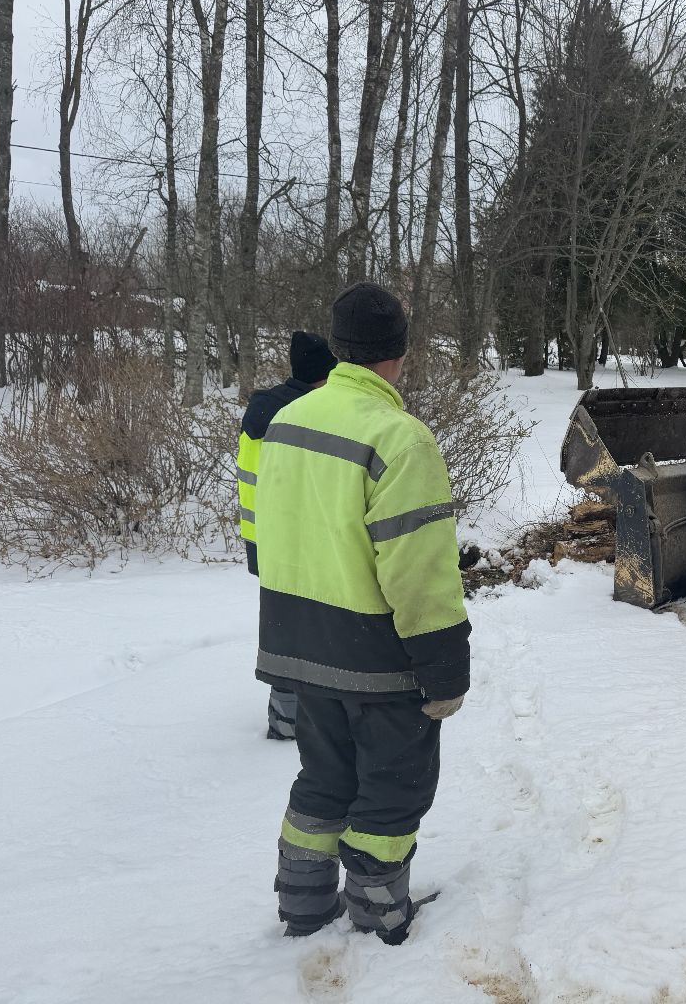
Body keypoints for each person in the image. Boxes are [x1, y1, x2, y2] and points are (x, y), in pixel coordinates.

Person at [253, 283, 471, 943]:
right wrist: (445, 667)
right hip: (377, 655)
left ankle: (304, 901)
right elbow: (418, 570)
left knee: (323, 777)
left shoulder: (287, 421)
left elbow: (279, 531)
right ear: (400, 353)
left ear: (338, 347)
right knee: (392, 790)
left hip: (301, 645)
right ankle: (379, 912)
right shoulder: (399, 439)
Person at [237, 331, 338, 740]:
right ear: (322, 374)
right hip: (300, 538)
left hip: (263, 538)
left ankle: (287, 716)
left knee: (285, 627)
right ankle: (298, 719)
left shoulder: (262, 411)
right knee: (315, 627)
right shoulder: (305, 417)